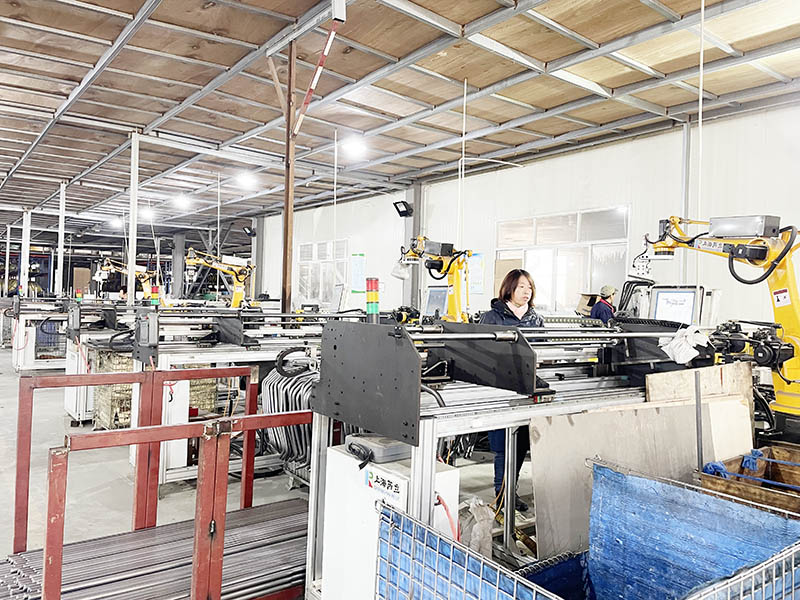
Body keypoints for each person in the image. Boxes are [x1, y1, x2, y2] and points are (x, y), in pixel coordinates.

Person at [480, 269, 543, 512]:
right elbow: (480, 351)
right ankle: (501, 494)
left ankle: (510, 492)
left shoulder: (535, 319)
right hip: (500, 388)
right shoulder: (492, 317)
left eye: (529, 287)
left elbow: (545, 348)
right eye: (521, 287)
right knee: (503, 446)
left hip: (526, 388)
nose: (526, 292)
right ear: (509, 289)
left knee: (521, 444)